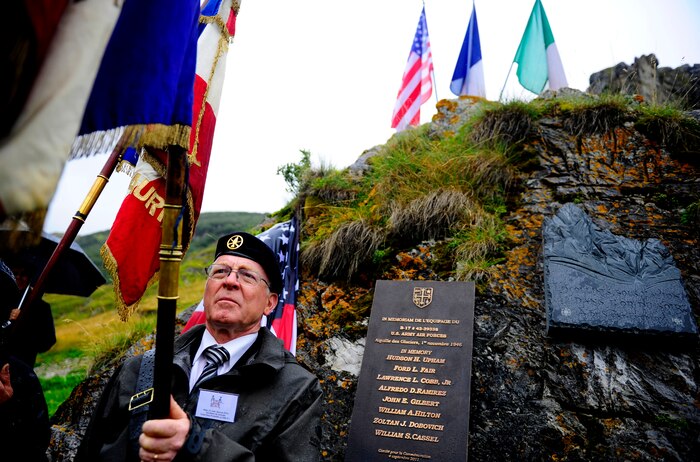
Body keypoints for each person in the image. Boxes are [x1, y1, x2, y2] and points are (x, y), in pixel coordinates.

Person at [79, 232, 323, 461]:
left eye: (247, 276)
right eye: (220, 272)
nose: (230, 281)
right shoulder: (140, 369)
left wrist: (194, 445)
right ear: (206, 289)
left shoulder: (296, 389)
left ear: (270, 304)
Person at [0, 259, 51, 462]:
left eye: (23, 274)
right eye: (16, 272)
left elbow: (36, 444)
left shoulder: (39, 307)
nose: (20, 277)